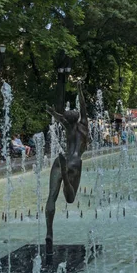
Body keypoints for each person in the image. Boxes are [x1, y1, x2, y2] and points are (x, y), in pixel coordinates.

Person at [45, 82, 89, 251]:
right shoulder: (83, 125)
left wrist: (51, 111)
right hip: (75, 163)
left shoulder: (68, 126)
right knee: (70, 199)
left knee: (51, 197)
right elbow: (84, 107)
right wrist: (79, 91)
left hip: (61, 159)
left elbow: (58, 117)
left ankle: (49, 232)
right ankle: (65, 176)